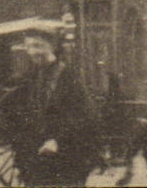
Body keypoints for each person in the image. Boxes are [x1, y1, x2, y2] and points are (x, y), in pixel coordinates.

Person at [14, 28, 98, 187]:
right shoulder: (33, 75)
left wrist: (57, 140)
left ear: (51, 46)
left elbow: (82, 115)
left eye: (38, 46)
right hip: (39, 153)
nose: (32, 51)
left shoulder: (67, 76)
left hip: (67, 152)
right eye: (29, 47)